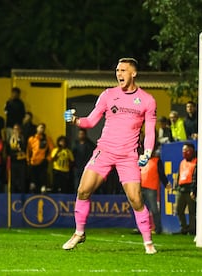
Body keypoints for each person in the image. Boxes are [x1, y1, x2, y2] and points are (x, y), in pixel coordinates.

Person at [62, 57, 157, 254]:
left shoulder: (147, 100)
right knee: (83, 191)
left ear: (133, 73)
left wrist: (147, 153)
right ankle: (79, 233)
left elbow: (151, 131)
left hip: (128, 156)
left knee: (136, 199)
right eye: (117, 70)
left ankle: (148, 242)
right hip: (104, 152)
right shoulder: (108, 94)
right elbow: (90, 121)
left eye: (123, 70)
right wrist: (75, 120)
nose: (119, 74)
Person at [140, 148, 171, 234]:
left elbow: (161, 173)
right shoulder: (143, 160)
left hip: (151, 188)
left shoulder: (157, 161)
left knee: (154, 209)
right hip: (141, 187)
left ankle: (158, 228)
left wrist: (166, 183)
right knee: (141, 209)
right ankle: (142, 228)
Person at [174, 143, 197, 235]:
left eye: (186, 150)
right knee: (179, 210)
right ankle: (183, 228)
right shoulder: (182, 162)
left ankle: (192, 229)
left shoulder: (196, 161)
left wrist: (193, 189)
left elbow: (195, 176)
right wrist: (176, 186)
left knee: (192, 211)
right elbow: (179, 175)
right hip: (181, 188)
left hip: (190, 188)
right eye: (183, 150)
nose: (184, 152)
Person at [26, 123, 54, 193]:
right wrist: (28, 160)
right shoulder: (31, 139)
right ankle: (33, 188)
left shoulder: (47, 139)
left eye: (43, 128)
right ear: (37, 128)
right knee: (33, 178)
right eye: (40, 127)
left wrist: (48, 159)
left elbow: (52, 150)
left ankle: (43, 188)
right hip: (33, 162)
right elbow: (28, 151)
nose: (42, 129)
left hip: (43, 162)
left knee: (42, 177)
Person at [7, 124, 27, 193]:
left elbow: (23, 149)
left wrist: (18, 140)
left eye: (17, 129)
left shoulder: (23, 138)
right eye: (14, 129)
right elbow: (8, 150)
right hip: (13, 162)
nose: (16, 131)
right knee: (13, 179)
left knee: (22, 179)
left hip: (21, 162)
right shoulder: (10, 139)